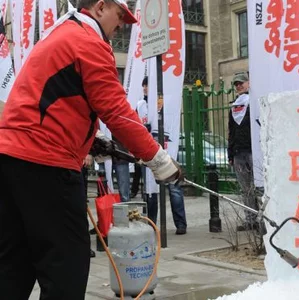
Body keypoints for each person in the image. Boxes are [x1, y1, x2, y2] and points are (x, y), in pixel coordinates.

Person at [0, 1, 181, 300]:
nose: (122, 24)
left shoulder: (60, 34)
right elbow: (116, 110)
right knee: (66, 267)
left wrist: (90, 138)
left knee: (13, 264)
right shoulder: (88, 41)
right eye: (120, 15)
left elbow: (53, 98)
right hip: (47, 164)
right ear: (100, 7)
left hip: (10, 158)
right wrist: (159, 159)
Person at [136, 76, 187, 234]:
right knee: (150, 190)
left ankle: (180, 224)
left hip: (166, 148)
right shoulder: (141, 105)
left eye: (148, 85)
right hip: (149, 152)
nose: (145, 88)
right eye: (144, 85)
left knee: (174, 187)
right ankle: (152, 223)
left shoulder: (164, 102)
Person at [228, 72, 262, 231]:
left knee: (259, 187)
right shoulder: (234, 106)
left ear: (249, 83)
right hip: (238, 153)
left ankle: (263, 219)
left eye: (241, 82)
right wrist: (230, 154)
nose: (239, 86)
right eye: (236, 84)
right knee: (245, 189)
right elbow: (231, 132)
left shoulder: (254, 102)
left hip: (253, 151)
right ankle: (250, 220)